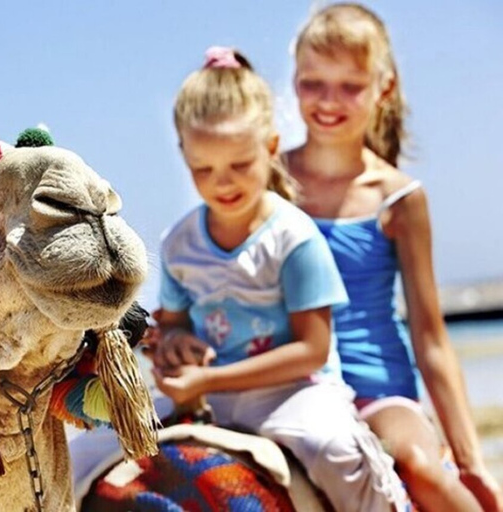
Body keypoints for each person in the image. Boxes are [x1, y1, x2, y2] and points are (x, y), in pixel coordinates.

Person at [150, 45, 406, 512]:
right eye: (203, 169)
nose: (222, 182)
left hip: (293, 393)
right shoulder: (179, 243)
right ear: (183, 155)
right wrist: (172, 343)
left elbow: (311, 349)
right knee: (96, 448)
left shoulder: (294, 237)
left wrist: (208, 378)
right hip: (208, 391)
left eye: (240, 165)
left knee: (337, 452)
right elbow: (171, 322)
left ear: (270, 148)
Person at [284, 4, 502, 511]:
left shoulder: (399, 197)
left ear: (382, 88)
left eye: (350, 86)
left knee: (421, 470)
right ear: (293, 79)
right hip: (292, 383)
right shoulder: (268, 182)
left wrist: (471, 461)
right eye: (313, 83)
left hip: (380, 389)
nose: (328, 102)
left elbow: (431, 338)